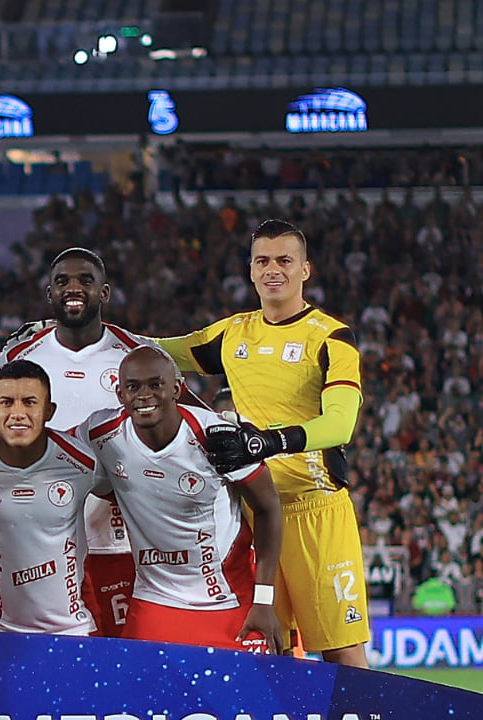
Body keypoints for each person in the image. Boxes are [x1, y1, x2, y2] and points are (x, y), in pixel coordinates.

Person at [156, 219, 370, 667]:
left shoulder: (332, 337)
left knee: (340, 647)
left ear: (305, 269)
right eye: (263, 260)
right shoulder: (233, 334)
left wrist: (268, 443)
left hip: (316, 510)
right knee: (268, 647)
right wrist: (75, 332)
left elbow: (340, 424)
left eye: (284, 260)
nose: (273, 269)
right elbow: (154, 351)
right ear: (251, 271)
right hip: (252, 512)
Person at [0, 247, 163, 638]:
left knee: (124, 663)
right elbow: (1, 419)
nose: (73, 289)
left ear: (105, 293)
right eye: (62, 281)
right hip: (41, 542)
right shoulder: (21, 352)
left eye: (85, 281)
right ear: (49, 294)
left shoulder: (135, 355)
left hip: (122, 542)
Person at [75, 348, 282, 652]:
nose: (144, 395)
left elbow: (269, 508)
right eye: (133, 387)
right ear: (120, 393)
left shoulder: (217, 437)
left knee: (249, 700)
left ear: (177, 389)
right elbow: (52, 453)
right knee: (138, 698)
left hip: (227, 601)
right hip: (155, 603)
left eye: (155, 384)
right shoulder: (101, 433)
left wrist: (264, 599)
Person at [0, 360, 99, 634]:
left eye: (29, 402)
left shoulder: (84, 461)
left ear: (49, 411)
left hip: (73, 629)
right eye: (7, 403)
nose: (17, 413)